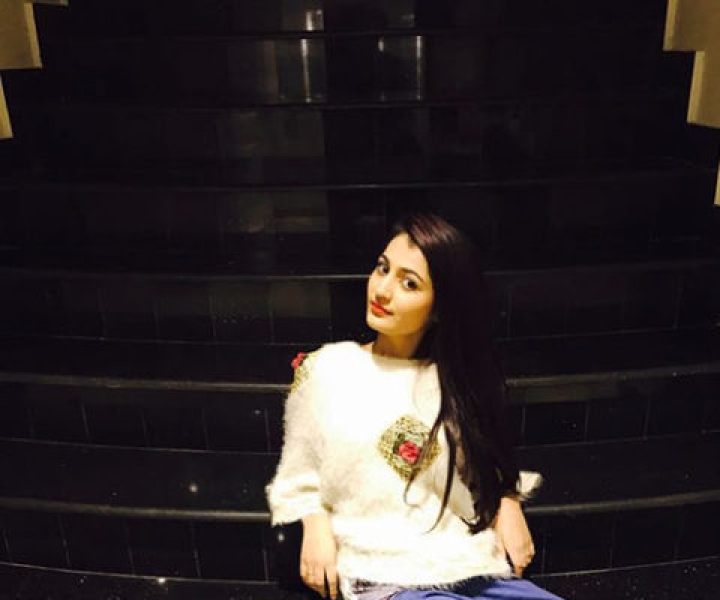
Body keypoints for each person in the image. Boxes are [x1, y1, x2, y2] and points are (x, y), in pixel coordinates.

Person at [266, 214, 563, 600]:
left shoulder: (452, 382)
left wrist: (508, 502)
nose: (383, 290)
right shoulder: (327, 369)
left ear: (439, 307)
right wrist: (316, 525)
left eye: (409, 283)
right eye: (382, 268)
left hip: (468, 563)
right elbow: (299, 476)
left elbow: (482, 468)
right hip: (380, 573)